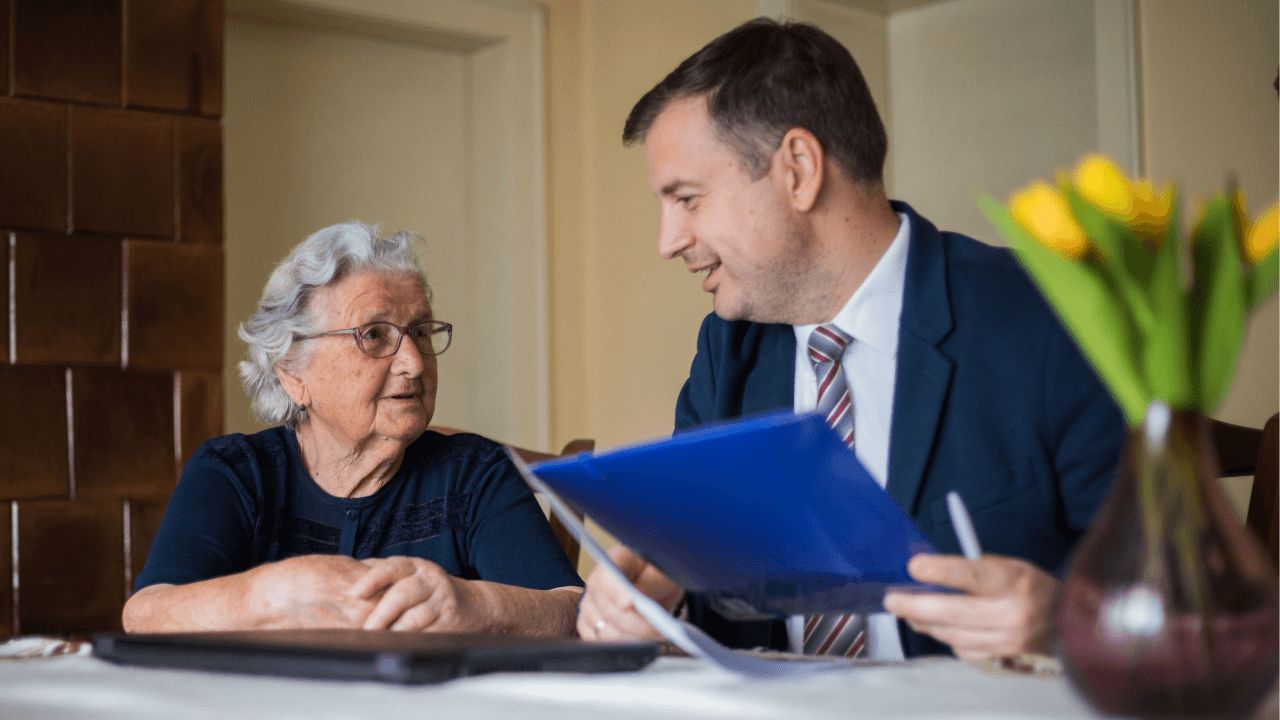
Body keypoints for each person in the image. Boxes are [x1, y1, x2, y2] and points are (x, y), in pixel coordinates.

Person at [575, 18, 1125, 659]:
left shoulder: (1051, 316)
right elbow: (705, 586)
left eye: (688, 199)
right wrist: (648, 607)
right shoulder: (727, 351)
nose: (667, 241)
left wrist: (1065, 620)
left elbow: (1182, 591)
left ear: (799, 170)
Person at [123, 222, 583, 635]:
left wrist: (477, 604)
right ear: (292, 373)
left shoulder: (474, 474)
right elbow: (146, 614)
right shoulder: (236, 473)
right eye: (374, 335)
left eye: (421, 331)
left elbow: (572, 609)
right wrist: (267, 595)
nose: (414, 362)